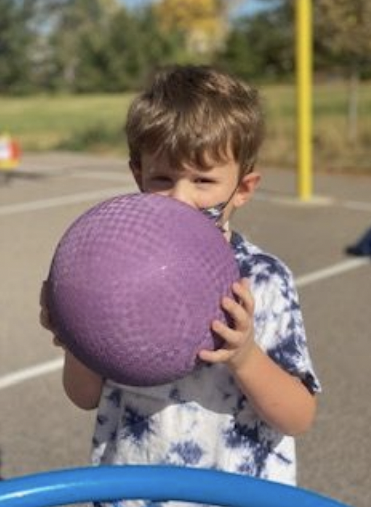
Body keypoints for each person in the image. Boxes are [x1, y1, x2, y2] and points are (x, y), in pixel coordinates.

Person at [40, 66, 319, 505]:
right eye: (163, 179)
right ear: (138, 176)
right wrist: (77, 334)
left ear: (243, 188)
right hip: (133, 492)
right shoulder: (114, 274)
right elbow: (83, 397)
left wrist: (244, 355)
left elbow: (298, 417)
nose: (180, 200)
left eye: (203, 181)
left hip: (235, 493)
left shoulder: (263, 280)